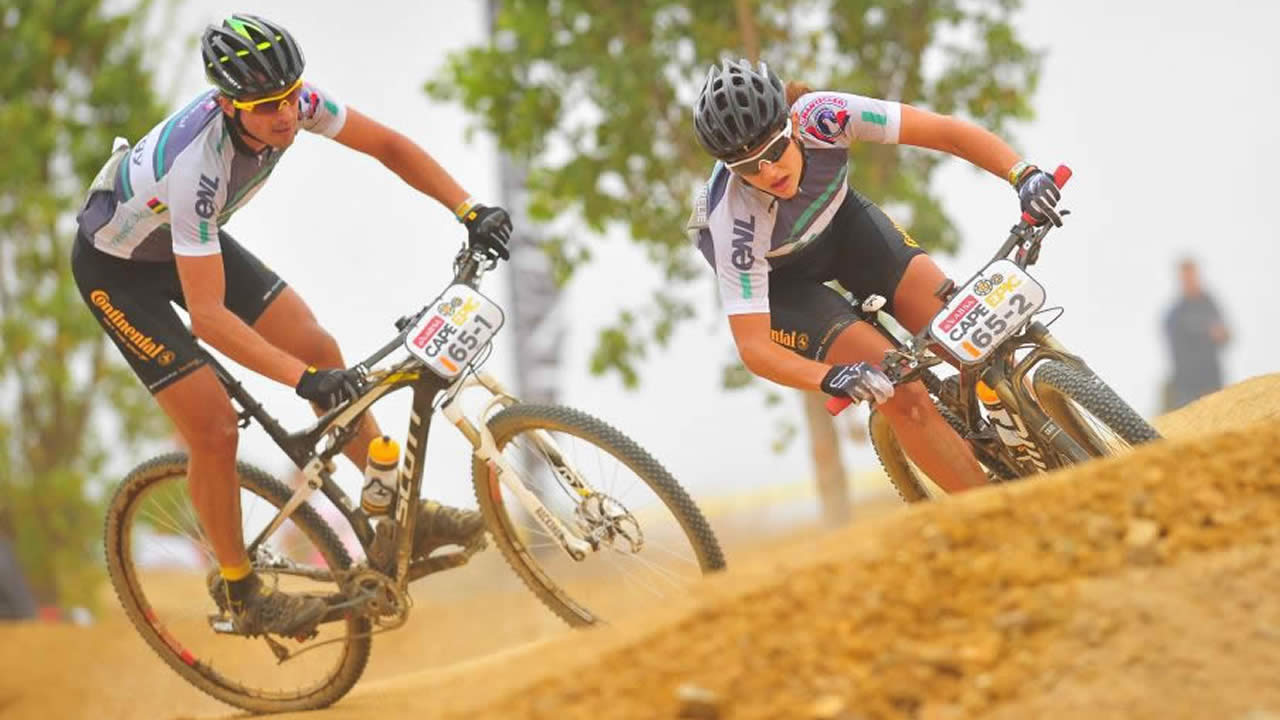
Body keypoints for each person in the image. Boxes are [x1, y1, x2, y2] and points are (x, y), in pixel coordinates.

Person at [70, 14, 512, 636]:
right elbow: (210, 319)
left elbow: (386, 145)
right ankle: (239, 589)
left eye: (289, 97)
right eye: (266, 105)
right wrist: (304, 381)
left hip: (177, 244)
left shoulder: (292, 100)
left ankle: (396, 519)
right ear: (228, 104)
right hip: (117, 274)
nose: (285, 116)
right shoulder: (196, 163)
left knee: (318, 342)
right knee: (216, 427)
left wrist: (468, 208)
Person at [687, 59, 1064, 493]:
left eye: (773, 152)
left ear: (791, 125)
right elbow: (753, 347)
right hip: (783, 284)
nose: (768, 172)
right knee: (900, 392)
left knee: (972, 331)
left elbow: (944, 132)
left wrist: (1023, 174)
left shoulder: (823, 116)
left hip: (844, 227)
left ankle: (1029, 417)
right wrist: (829, 377)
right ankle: (992, 516)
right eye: (749, 168)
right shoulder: (733, 220)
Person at [1163, 258, 1230, 410]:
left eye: (1192, 275)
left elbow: (1226, 336)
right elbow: (1177, 351)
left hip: (1213, 382)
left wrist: (1221, 334)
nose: (1190, 280)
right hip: (1187, 388)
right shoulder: (1175, 313)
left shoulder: (1210, 303)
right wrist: (1206, 332)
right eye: (1185, 277)